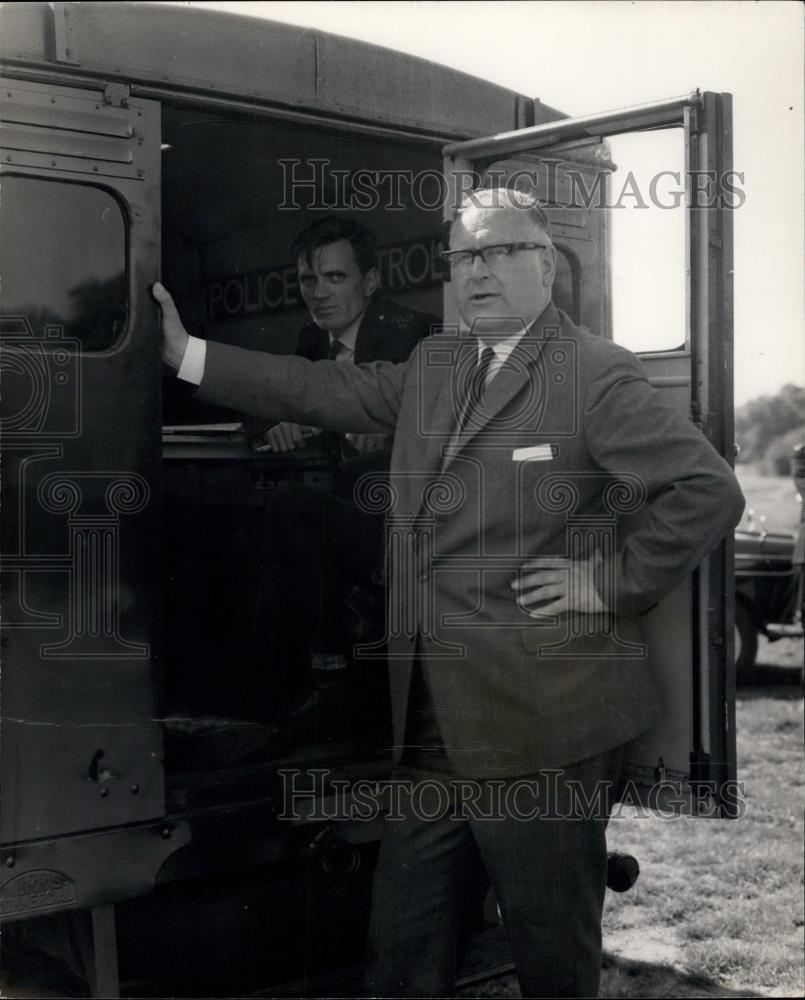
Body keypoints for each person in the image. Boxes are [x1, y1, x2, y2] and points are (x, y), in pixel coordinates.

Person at [154, 187, 744, 998]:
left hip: (547, 726)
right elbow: (320, 391)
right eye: (464, 257)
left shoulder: (592, 373)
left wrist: (604, 582)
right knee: (401, 945)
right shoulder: (437, 365)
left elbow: (705, 491)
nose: (479, 272)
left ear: (547, 266)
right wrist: (187, 353)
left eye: (501, 251)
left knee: (548, 953)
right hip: (433, 721)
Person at [219, 217, 435, 722]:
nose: (318, 294)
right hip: (354, 503)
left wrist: (394, 435)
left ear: (371, 282)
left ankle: (317, 677)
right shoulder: (313, 340)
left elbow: (446, 426)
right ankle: (271, 691)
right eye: (307, 280)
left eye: (335, 278)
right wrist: (276, 422)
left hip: (410, 516)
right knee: (255, 524)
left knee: (293, 514)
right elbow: (283, 390)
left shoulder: (416, 335)